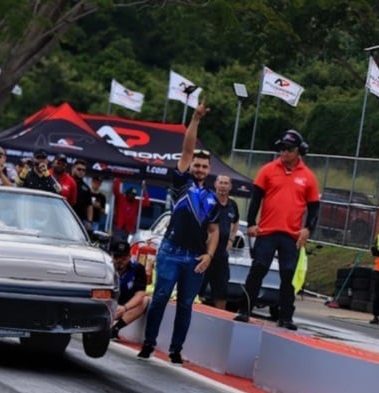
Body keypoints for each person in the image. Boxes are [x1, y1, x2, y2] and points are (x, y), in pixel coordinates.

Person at [137, 101, 219, 364]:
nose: (199, 169)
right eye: (196, 165)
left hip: (195, 258)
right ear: (191, 165)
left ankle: (175, 350)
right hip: (171, 252)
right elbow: (186, 149)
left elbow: (215, 230)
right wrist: (195, 120)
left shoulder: (212, 197)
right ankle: (148, 344)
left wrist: (209, 256)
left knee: (185, 305)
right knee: (160, 297)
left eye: (204, 167)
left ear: (209, 171)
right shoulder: (181, 183)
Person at [234, 129, 320, 331]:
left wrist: (308, 229)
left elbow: (314, 207)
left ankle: (285, 316)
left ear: (299, 150)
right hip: (267, 230)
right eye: (281, 148)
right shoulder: (268, 170)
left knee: (287, 274)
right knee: (258, 269)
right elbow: (256, 198)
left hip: (291, 235)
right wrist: (252, 222)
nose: (284, 152)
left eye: (289, 149)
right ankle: (244, 310)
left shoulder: (308, 176)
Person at [199, 175, 239, 310]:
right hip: (204, 252)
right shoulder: (208, 201)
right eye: (220, 182)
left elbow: (236, 221)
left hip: (221, 255)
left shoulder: (232, 205)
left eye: (226, 183)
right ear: (215, 184)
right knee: (198, 288)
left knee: (222, 292)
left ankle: (219, 318)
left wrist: (232, 239)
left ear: (230, 187)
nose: (223, 185)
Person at [110, 239, 150, 340]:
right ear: (111, 256)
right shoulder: (106, 267)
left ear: (129, 257)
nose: (120, 261)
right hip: (108, 302)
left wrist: (124, 308)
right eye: (117, 257)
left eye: (123, 258)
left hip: (124, 304)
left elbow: (140, 294)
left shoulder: (138, 269)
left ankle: (115, 329)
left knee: (144, 301)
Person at [70, 159, 93, 229]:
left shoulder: (86, 188)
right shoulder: (66, 180)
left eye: (83, 170)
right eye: (79, 169)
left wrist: (89, 221)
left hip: (78, 220)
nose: (81, 172)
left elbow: (89, 205)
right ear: (73, 169)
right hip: (62, 215)